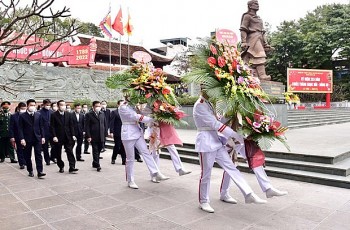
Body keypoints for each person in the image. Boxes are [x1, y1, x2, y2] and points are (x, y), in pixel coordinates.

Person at [193, 91, 266, 213]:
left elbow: (221, 120)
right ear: (202, 89)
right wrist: (238, 136)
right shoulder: (200, 105)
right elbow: (216, 124)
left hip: (216, 141)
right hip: (205, 142)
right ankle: (203, 201)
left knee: (231, 167)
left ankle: (248, 194)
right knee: (206, 174)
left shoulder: (211, 102)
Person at [118, 96, 168, 189]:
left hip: (137, 132)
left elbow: (144, 112)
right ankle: (130, 180)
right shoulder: (123, 106)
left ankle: (155, 172)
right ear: (126, 96)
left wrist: (154, 107)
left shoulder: (134, 105)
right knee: (130, 158)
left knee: (146, 152)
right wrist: (152, 119)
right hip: (128, 134)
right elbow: (136, 116)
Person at [220, 139, 288, 199]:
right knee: (231, 166)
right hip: (231, 139)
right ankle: (224, 193)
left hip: (243, 138)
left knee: (255, 158)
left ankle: (268, 188)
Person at [240, 0, 272, 81]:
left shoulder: (259, 18)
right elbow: (243, 29)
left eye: (258, 4)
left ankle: (249, 74)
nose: (257, 5)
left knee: (249, 58)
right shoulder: (247, 16)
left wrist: (265, 43)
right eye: (255, 4)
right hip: (252, 38)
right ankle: (262, 75)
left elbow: (262, 31)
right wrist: (243, 41)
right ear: (250, 6)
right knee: (259, 55)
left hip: (259, 38)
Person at [18, 99, 46, 178]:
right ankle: (30, 170)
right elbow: (20, 128)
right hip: (27, 139)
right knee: (27, 155)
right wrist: (22, 139)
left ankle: (40, 171)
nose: (33, 107)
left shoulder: (38, 114)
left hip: (37, 137)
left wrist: (43, 136)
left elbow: (41, 127)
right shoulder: (22, 116)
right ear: (27, 106)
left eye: (34, 105)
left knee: (38, 154)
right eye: (31, 105)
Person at [50, 100, 78, 174]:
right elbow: (52, 127)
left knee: (70, 151)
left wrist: (73, 135)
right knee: (58, 153)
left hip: (67, 136)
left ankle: (72, 167)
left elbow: (71, 125)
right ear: (58, 106)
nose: (63, 106)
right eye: (61, 105)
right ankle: (61, 166)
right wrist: (54, 136)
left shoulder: (68, 114)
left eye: (64, 105)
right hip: (58, 137)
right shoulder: (54, 115)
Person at [85, 101, 108, 172]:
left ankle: (94, 162)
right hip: (93, 135)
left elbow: (105, 124)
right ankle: (98, 165)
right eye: (96, 106)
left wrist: (106, 134)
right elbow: (87, 126)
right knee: (95, 150)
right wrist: (88, 136)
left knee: (99, 149)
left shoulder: (102, 114)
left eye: (99, 106)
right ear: (93, 107)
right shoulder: (89, 114)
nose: (98, 107)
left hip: (101, 135)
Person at [9, 102, 27, 169]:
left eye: (25, 108)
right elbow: (11, 127)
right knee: (19, 150)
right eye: (22, 108)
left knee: (26, 149)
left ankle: (26, 161)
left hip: (27, 135)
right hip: (18, 135)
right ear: (19, 108)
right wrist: (12, 136)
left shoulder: (27, 115)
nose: (23, 110)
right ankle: (21, 163)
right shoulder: (14, 116)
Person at [110, 100, 126, 165]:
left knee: (123, 146)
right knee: (117, 146)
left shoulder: (125, 112)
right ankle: (113, 158)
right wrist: (111, 131)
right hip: (117, 132)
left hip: (124, 132)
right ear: (118, 105)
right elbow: (112, 122)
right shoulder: (114, 112)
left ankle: (124, 160)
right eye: (121, 104)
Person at [38, 99, 52, 165]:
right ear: (43, 104)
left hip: (52, 132)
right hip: (44, 132)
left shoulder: (52, 112)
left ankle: (52, 156)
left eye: (49, 105)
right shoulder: (39, 113)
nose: (48, 106)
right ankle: (47, 160)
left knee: (55, 146)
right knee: (45, 147)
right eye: (47, 105)